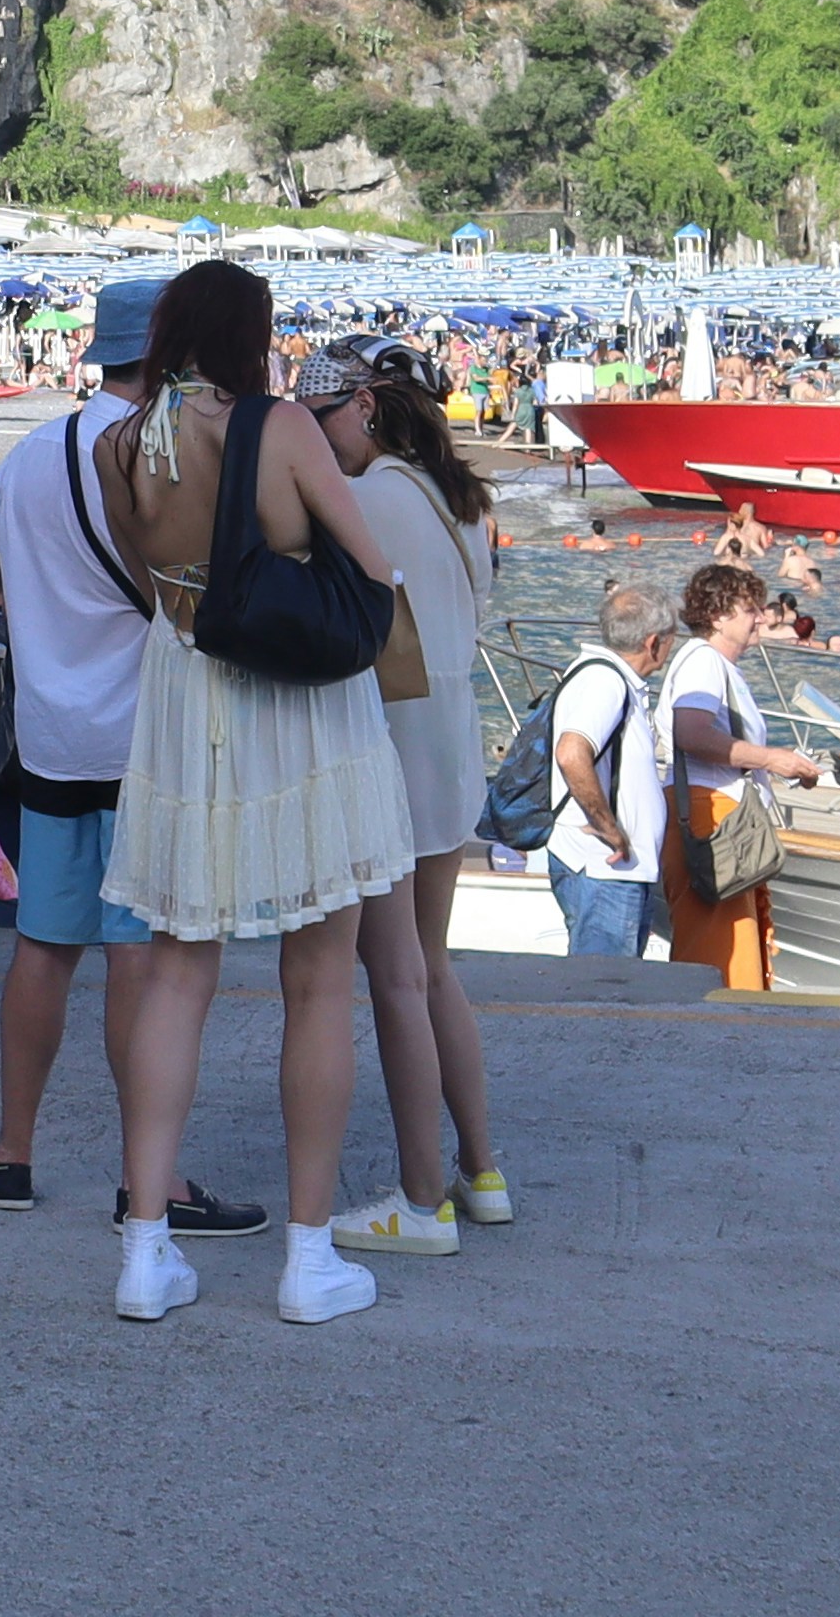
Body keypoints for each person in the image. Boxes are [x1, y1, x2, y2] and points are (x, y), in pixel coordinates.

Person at [98, 258, 412, 1330]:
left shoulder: (118, 443)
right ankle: (308, 1257)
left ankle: (146, 1249)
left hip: (188, 705)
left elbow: (158, 590)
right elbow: (370, 569)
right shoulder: (279, 429)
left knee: (176, 974)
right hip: (298, 713)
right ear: (252, 331)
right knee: (319, 979)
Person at [0, 271, 266, 1240]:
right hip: (146, 739)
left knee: (42, 948)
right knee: (142, 959)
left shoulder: (26, 457)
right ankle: (150, 1181)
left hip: (49, 733)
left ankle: (10, 1152)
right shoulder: (164, 453)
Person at [322, 349, 502, 1256]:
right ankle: (480, 1171)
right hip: (451, 738)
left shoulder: (371, 499)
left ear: (363, 409)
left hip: (393, 742)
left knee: (395, 975)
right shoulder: (457, 499)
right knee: (431, 968)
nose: (316, 442)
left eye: (324, 420)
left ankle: (421, 1198)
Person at [657, 563, 819, 994]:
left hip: (718, 817)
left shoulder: (712, 665)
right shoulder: (704, 663)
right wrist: (771, 759)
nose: (761, 618)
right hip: (712, 819)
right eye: (750, 609)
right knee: (719, 956)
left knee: (730, 947)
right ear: (717, 616)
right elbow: (690, 731)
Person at [541, 588, 677, 964]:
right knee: (603, 988)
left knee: (609, 986)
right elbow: (571, 753)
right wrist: (607, 826)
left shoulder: (598, 674)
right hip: (604, 871)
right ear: (653, 642)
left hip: (608, 870)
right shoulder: (607, 682)